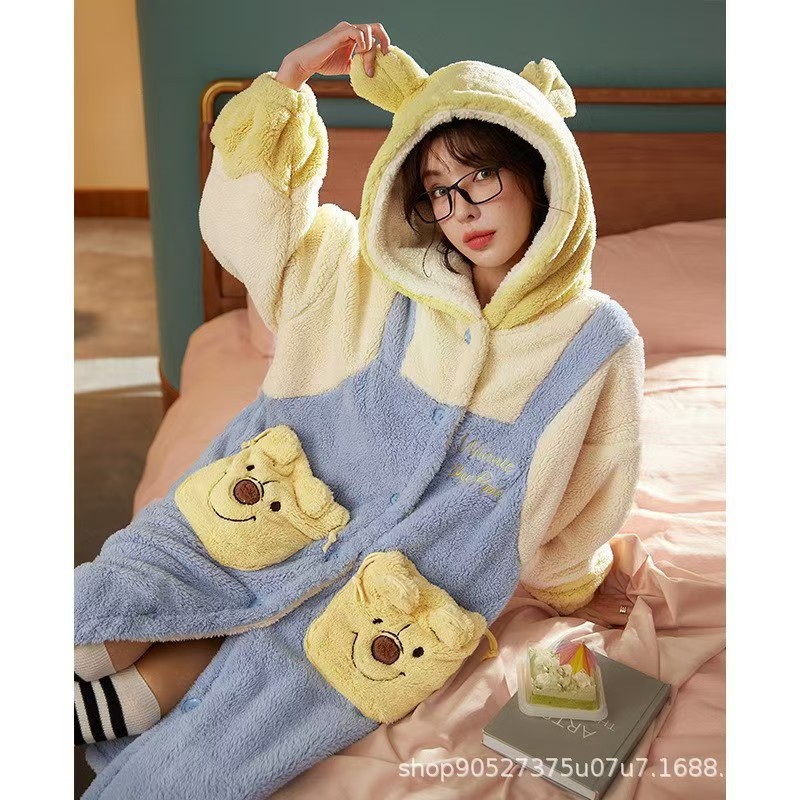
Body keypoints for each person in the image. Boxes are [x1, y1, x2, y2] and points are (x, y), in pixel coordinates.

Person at [74, 20, 644, 799]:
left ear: (542, 172)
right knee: (104, 616)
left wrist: (574, 588)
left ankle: (112, 712)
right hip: (260, 518)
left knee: (239, 718)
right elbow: (248, 234)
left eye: (480, 176)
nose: (460, 208)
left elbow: (585, 495)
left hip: (395, 603)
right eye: (438, 189)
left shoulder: (594, 343)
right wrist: (286, 87)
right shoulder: (367, 274)